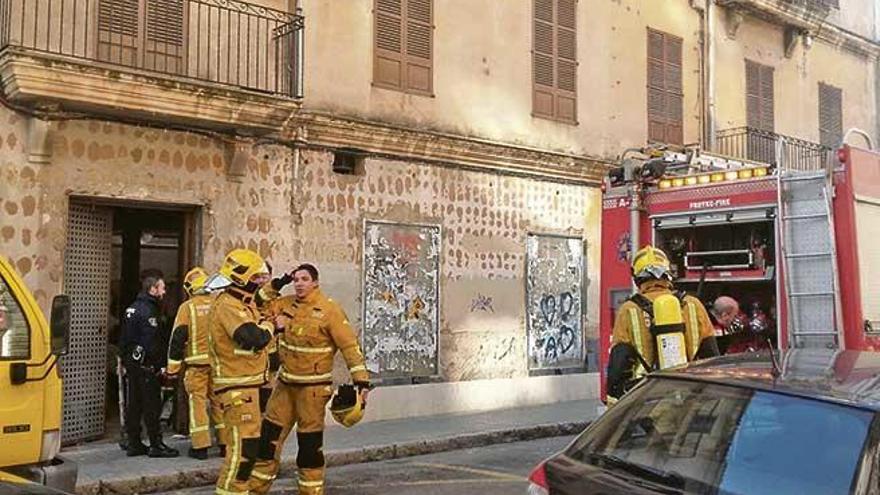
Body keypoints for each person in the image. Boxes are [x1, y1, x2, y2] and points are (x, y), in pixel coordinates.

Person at [249, 264, 371, 495]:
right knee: (267, 442)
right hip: (284, 387)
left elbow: (350, 348)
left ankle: (310, 492)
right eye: (295, 279)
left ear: (315, 282)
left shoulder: (329, 310)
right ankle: (256, 490)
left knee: (309, 447)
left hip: (313, 391)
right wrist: (279, 281)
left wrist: (362, 382)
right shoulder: (283, 304)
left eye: (304, 279)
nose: (299, 283)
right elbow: (258, 301)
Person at [606, 246, 719, 403]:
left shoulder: (629, 310)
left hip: (648, 398)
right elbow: (712, 357)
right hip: (690, 397)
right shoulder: (693, 305)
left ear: (637, 278)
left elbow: (617, 370)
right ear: (668, 274)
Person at [208, 249, 275, 495]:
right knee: (242, 451)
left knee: (249, 448)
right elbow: (252, 337)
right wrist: (271, 325)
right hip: (236, 388)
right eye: (257, 277)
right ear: (241, 278)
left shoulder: (243, 303)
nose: (260, 282)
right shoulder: (229, 305)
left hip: (246, 386)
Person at [167, 267, 225, 460]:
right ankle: (225, 443)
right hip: (218, 365)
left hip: (196, 366)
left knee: (197, 404)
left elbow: (177, 339)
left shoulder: (188, 308)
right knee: (220, 402)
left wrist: (172, 369)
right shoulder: (219, 304)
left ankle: (200, 447)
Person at [120, 273, 179, 458]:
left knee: (134, 404)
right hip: (146, 366)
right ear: (152, 289)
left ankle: (134, 443)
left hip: (133, 365)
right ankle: (156, 444)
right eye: (162, 288)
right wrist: (159, 365)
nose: (164, 291)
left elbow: (125, 339)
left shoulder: (133, 308)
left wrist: (126, 360)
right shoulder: (150, 311)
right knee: (151, 405)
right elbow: (151, 342)